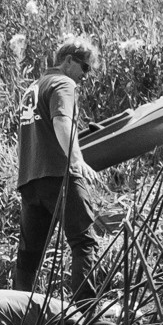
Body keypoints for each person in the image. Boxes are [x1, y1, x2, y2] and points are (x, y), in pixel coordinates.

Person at [13, 37, 104, 301]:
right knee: (84, 243)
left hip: (31, 180)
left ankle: (19, 317)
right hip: (58, 175)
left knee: (29, 257)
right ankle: (85, 316)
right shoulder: (64, 83)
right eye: (84, 68)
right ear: (68, 61)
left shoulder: (34, 87)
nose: (85, 76)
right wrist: (76, 161)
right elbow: (62, 121)